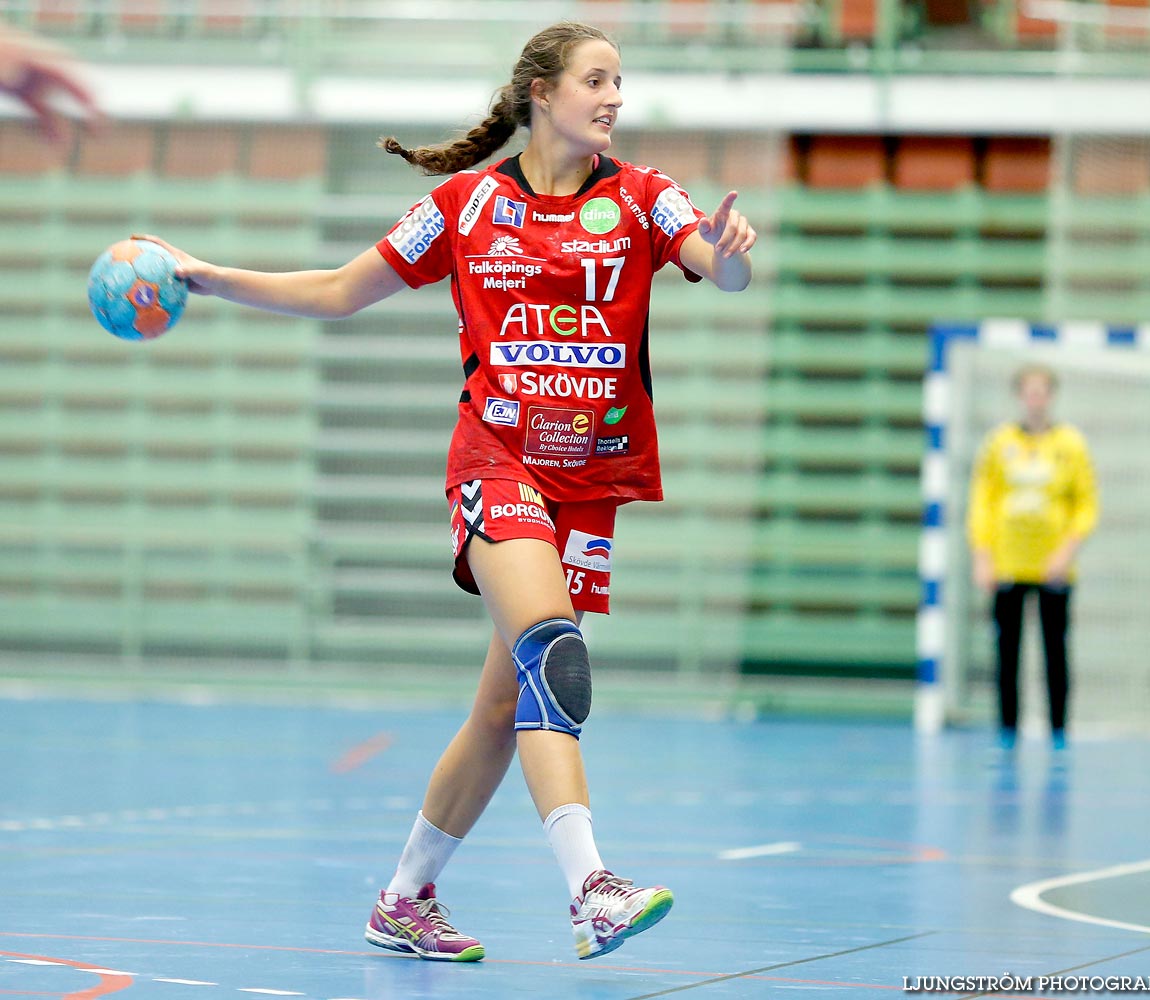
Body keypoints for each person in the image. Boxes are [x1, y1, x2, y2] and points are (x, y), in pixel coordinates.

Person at [138, 21, 755, 963]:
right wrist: (211, 278)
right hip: (497, 464)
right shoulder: (464, 206)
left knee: (505, 711)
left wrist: (731, 248)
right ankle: (591, 888)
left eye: (620, 82)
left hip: (589, 484)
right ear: (540, 93)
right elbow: (342, 290)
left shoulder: (644, 197)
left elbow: (724, 270)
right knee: (555, 657)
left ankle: (402, 898)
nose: (614, 97)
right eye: (596, 80)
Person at [966, 363, 1098, 752]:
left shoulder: (1071, 445)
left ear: (1051, 396)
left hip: (1054, 566)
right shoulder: (999, 443)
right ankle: (1008, 730)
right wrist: (982, 556)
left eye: (1042, 391)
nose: (1035, 398)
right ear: (1020, 395)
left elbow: (1086, 505)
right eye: (1029, 391)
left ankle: (1059, 730)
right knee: (1007, 652)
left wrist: (1066, 551)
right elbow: (982, 503)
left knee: (1055, 651)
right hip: (1008, 562)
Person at [0, 24, 103, 143]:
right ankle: (58, 134)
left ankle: (91, 116)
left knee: (60, 84)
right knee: (41, 107)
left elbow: (64, 79)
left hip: (26, 73)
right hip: (19, 81)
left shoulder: (33, 65)